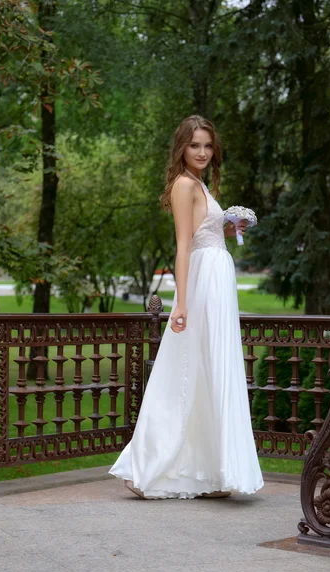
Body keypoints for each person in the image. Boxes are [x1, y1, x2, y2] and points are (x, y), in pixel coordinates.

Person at [109, 115, 264, 499]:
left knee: (210, 369)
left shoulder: (198, 184)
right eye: (195, 145)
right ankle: (149, 465)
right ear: (182, 147)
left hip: (215, 279)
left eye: (208, 146)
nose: (203, 152)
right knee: (186, 368)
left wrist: (227, 228)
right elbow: (183, 245)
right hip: (202, 283)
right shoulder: (183, 184)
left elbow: (202, 232)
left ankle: (210, 472)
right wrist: (180, 302)